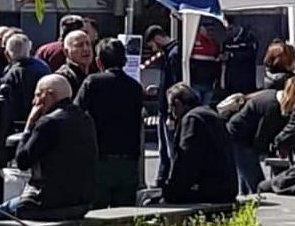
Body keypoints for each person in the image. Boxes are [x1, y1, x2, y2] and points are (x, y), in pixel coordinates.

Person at [0, 75, 97, 220]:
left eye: (38, 95)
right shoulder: (85, 119)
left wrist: (29, 125)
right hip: (81, 203)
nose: (35, 101)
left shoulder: (48, 122)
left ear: (50, 94)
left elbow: (22, 161)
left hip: (46, 203)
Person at [75, 38, 144, 208]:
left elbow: (76, 112)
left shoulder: (92, 82)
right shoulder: (135, 87)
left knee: (95, 213)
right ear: (125, 61)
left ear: (98, 61)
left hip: (99, 156)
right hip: (128, 158)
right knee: (124, 213)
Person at [162, 83, 237, 204]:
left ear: (178, 104)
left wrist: (171, 192)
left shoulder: (192, 120)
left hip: (210, 191)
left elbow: (186, 162)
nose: (171, 113)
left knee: (152, 201)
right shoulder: (210, 114)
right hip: (227, 188)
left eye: (171, 108)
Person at [226, 77, 295, 195]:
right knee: (255, 181)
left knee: (246, 178)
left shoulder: (274, 96)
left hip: (236, 132)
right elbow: (260, 139)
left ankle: (245, 202)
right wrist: (273, 150)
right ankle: (255, 203)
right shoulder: (271, 108)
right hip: (239, 137)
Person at [144, 24, 181, 187]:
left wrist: (171, 114)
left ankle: (170, 179)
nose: (153, 50)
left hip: (168, 109)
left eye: (152, 45)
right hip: (164, 107)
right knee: (164, 149)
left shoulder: (173, 54)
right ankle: (163, 178)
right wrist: (159, 90)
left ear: (157, 38)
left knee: (169, 148)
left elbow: (174, 86)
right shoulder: (171, 53)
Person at [0, 32, 49, 126]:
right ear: (29, 48)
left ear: (7, 53)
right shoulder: (43, 67)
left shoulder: (10, 74)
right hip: (41, 118)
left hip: (17, 123)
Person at [222, 19, 259, 95]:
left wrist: (232, 55)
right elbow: (225, 54)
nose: (228, 32)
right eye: (226, 30)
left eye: (230, 29)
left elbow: (251, 54)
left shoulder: (249, 37)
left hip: (246, 79)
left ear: (237, 26)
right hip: (231, 80)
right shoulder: (227, 41)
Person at [190, 23, 221, 105]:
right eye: (208, 29)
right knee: (195, 105)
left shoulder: (215, 44)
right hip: (195, 82)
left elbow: (217, 63)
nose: (210, 32)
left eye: (212, 30)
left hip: (209, 83)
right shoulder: (193, 42)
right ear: (201, 29)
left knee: (205, 107)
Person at [55, 29, 93, 97]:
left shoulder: (96, 72)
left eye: (88, 44)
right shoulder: (62, 78)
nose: (86, 49)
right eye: (80, 45)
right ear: (66, 52)